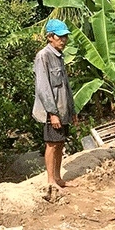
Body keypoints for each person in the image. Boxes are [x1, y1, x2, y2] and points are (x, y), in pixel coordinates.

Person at [32, 19, 78, 190]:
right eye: (60, 37)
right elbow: (43, 88)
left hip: (63, 109)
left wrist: (72, 110)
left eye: (65, 37)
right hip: (52, 112)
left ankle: (58, 178)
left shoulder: (59, 56)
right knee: (51, 144)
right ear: (50, 37)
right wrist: (52, 113)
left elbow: (65, 86)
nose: (64, 40)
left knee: (60, 143)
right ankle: (51, 180)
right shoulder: (43, 56)